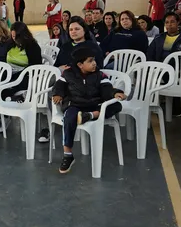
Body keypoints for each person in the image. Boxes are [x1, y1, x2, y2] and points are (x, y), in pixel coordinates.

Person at [52, 46, 126, 174]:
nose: (94, 63)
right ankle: (68, 154)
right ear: (80, 64)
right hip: (75, 104)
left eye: (94, 60)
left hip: (94, 104)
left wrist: (115, 93)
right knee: (69, 117)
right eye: (90, 61)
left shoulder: (99, 74)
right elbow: (59, 85)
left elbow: (107, 88)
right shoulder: (68, 73)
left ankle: (91, 115)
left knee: (116, 105)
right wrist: (57, 94)